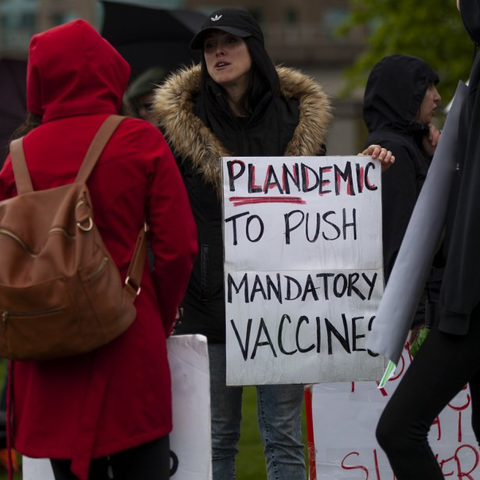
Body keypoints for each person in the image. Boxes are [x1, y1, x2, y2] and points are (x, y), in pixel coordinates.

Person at [153, 8, 394, 480]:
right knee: (216, 437)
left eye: (230, 42)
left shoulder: (296, 120)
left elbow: (321, 202)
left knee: (284, 435)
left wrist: (364, 169)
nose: (217, 52)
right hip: (209, 303)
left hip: (282, 307)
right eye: (209, 45)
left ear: (255, 49)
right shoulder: (178, 129)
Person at [0, 19, 198, 480]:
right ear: (110, 71)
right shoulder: (139, 139)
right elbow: (179, 248)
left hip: (47, 343)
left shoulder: (18, 157)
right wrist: (159, 314)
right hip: (128, 339)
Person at [375, 1, 480, 478]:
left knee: (399, 429)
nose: (437, 98)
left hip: (468, 301)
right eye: (427, 87)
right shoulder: (400, 152)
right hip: (459, 301)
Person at [362, 54, 443, 344]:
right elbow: (401, 242)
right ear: (406, 93)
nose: (437, 97)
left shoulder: (405, 146)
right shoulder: (392, 151)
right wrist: (417, 317)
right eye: (428, 87)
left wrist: (434, 159)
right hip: (411, 317)